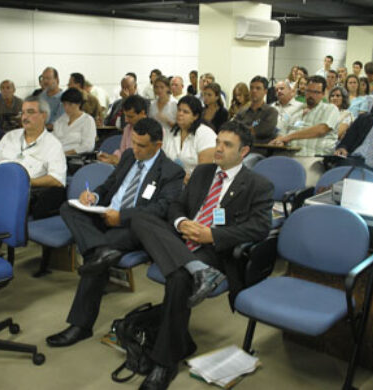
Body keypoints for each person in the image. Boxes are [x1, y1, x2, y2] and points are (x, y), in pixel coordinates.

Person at [128, 120, 274, 390]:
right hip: (182, 239)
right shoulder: (202, 172)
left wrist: (213, 235)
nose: (218, 149)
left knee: (178, 279)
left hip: (213, 249)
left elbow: (260, 227)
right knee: (139, 217)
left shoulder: (257, 184)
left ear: (243, 152)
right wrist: (182, 222)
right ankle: (196, 272)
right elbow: (176, 205)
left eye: (227, 145)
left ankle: (164, 364)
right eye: (217, 142)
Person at [45, 118, 185, 348]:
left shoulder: (171, 172)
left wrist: (122, 217)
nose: (135, 149)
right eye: (134, 143)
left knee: (97, 257)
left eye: (142, 146)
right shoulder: (129, 157)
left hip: (134, 227)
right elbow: (109, 186)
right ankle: (98, 250)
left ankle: (80, 325)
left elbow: (161, 210)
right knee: (68, 207)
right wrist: (94, 198)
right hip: (106, 214)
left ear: (157, 145)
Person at [0, 96, 67, 219]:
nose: (25, 117)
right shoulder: (10, 137)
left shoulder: (53, 145)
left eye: (30, 112)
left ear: (44, 116)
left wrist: (25, 181)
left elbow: (56, 179)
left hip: (23, 192)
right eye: (23, 112)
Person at [270, 75, 339, 186]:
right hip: (288, 155)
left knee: (300, 189)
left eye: (316, 92)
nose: (311, 95)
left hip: (311, 157)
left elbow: (321, 129)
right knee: (267, 181)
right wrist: (279, 140)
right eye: (309, 91)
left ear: (323, 94)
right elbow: (282, 131)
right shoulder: (296, 110)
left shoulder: (330, 109)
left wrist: (288, 137)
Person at [162, 95, 216, 183]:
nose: (180, 114)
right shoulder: (171, 132)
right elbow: (163, 160)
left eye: (185, 112)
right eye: (179, 110)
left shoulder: (205, 134)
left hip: (196, 183)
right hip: (171, 180)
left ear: (195, 116)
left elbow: (204, 172)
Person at [234, 76, 278, 166]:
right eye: (252, 88)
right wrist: (249, 129)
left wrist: (243, 129)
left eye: (258, 88)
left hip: (258, 151)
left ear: (265, 91)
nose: (254, 91)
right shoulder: (242, 112)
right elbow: (233, 130)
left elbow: (262, 131)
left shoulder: (270, 112)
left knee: (242, 165)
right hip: (239, 150)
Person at [98, 95, 148, 165]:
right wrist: (112, 157)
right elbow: (122, 152)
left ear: (142, 113)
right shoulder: (128, 128)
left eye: (130, 116)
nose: (126, 120)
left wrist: (119, 161)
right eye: (125, 116)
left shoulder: (155, 131)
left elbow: (146, 161)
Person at [53, 88, 96, 155]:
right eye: (64, 104)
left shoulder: (87, 120)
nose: (66, 107)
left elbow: (88, 146)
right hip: (57, 155)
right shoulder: (59, 121)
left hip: (76, 158)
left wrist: (66, 153)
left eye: (70, 104)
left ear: (78, 104)